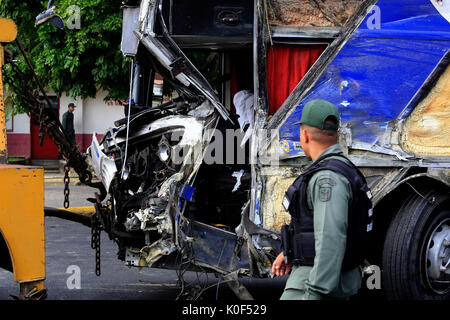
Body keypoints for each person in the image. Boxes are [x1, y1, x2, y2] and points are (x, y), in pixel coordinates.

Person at [271, 99, 365, 300]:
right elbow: (314, 227)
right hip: (330, 277)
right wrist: (292, 253)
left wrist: (315, 293)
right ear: (336, 135)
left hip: (314, 282)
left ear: (304, 135)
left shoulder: (327, 179)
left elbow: (331, 237)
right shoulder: (338, 169)